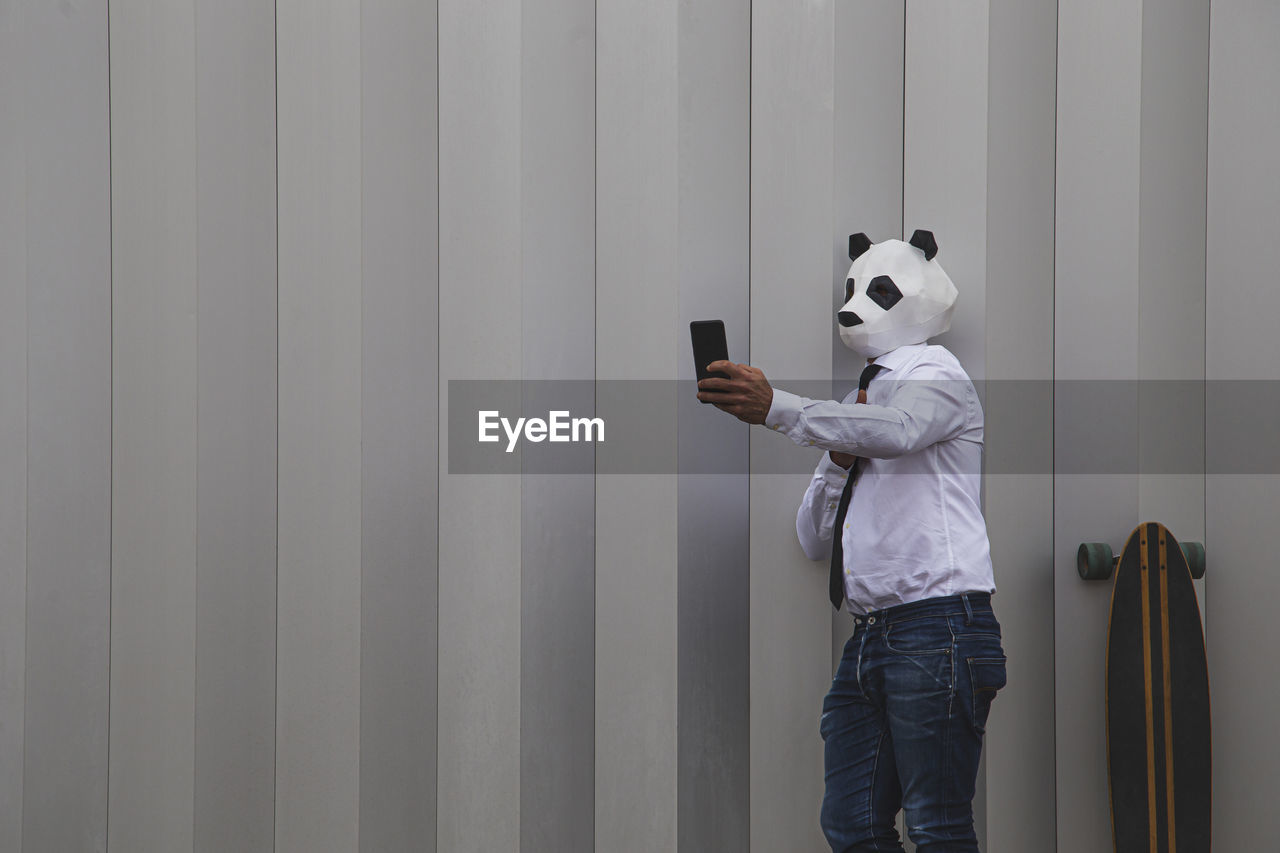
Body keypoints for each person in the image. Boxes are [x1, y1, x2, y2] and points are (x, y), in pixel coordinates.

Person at [696, 231, 1005, 852]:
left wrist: (779, 407)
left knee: (937, 827)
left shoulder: (935, 373)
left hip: (938, 624)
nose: (854, 306)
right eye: (855, 290)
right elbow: (814, 539)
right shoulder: (857, 406)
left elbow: (902, 430)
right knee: (852, 824)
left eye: (879, 291)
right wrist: (838, 462)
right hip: (871, 636)